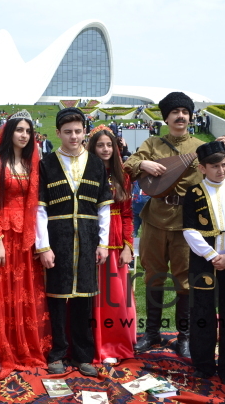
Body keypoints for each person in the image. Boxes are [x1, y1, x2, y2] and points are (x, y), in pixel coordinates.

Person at [124, 92, 205, 358]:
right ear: (166, 117)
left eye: (185, 111)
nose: (180, 116)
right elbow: (129, 164)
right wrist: (144, 163)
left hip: (186, 222)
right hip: (156, 218)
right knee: (153, 275)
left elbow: (222, 173)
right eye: (175, 112)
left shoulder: (200, 145)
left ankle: (184, 336)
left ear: (190, 116)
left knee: (184, 281)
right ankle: (152, 333)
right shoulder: (153, 144)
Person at [0, 110, 51, 380]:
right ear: (9, 132)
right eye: (19, 130)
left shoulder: (30, 164)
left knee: (23, 292)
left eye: (28, 131)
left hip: (23, 237)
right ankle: (2, 351)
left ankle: (23, 347)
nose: (24, 135)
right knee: (2, 293)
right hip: (2, 237)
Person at [35, 107, 113, 377]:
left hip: (89, 239)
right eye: (67, 132)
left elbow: (104, 207)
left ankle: (83, 355)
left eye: (78, 131)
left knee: (84, 301)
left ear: (84, 132)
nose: (73, 136)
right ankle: (57, 353)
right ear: (58, 133)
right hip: (59, 239)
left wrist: (103, 243)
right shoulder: (46, 164)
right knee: (57, 299)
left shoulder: (95, 163)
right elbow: (40, 209)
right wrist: (43, 246)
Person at [182, 141, 225, 388]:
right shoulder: (193, 193)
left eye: (224, 165)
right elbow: (189, 230)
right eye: (215, 166)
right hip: (203, 262)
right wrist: (212, 255)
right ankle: (203, 364)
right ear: (202, 168)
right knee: (202, 313)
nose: (221, 170)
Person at [86, 125, 136, 364]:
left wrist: (128, 246)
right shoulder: (85, 172)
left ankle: (113, 343)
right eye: (100, 145)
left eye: (109, 145)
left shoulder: (123, 175)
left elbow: (127, 214)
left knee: (115, 297)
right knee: (91, 295)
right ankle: (91, 342)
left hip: (116, 241)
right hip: (91, 237)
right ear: (92, 147)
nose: (105, 149)